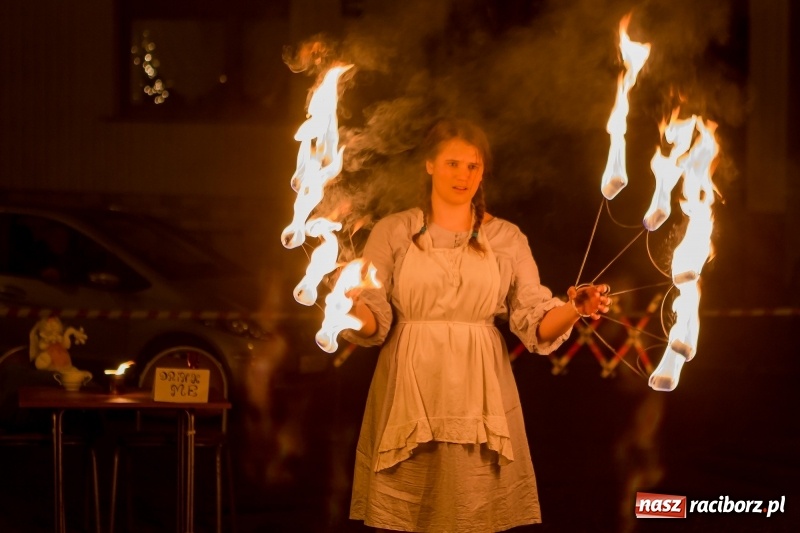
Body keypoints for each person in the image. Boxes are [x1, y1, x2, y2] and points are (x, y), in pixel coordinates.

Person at [342, 117, 610, 532]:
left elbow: (535, 322)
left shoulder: (506, 238)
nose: (463, 175)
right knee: (404, 516)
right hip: (410, 384)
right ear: (430, 165)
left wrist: (576, 308)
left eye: (473, 166)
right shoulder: (394, 231)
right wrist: (341, 308)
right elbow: (373, 318)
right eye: (452, 163)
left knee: (471, 514)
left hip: (477, 387)